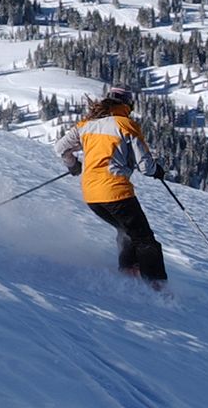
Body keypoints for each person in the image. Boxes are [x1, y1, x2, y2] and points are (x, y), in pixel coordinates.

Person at [55, 84, 169, 288]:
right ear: (128, 104)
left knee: (125, 231)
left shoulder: (86, 125)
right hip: (116, 191)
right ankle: (157, 287)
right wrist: (157, 170)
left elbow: (60, 148)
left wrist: (73, 165)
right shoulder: (125, 124)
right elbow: (145, 166)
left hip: (91, 195)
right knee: (145, 239)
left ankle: (128, 272)